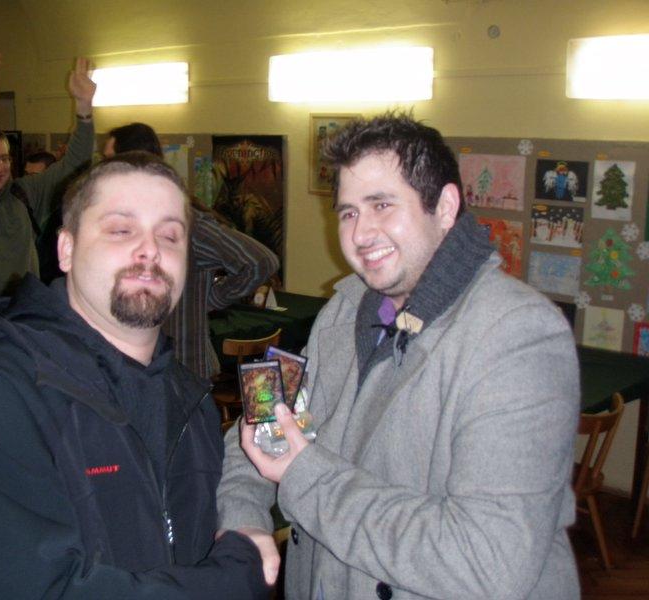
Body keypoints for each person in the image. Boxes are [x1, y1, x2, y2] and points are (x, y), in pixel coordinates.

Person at [217, 112, 580, 599]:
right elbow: (263, 426)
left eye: (382, 205)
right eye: (348, 212)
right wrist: (244, 517)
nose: (360, 233)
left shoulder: (517, 335)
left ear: (445, 207)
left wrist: (305, 477)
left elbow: (486, 562)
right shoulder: (343, 312)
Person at [0, 152, 275, 599]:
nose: (150, 249)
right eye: (121, 230)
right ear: (65, 249)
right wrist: (236, 576)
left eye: (170, 235)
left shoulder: (189, 398)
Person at [105, 122, 280, 377]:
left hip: (182, 371)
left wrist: (212, 298)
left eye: (109, 160)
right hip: (135, 368)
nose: (101, 169)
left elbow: (261, 261)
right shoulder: (124, 222)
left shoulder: (187, 223)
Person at [0, 54, 96, 294]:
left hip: (26, 310)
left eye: (4, 158)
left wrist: (83, 108)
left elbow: (75, 162)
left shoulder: (23, 192)